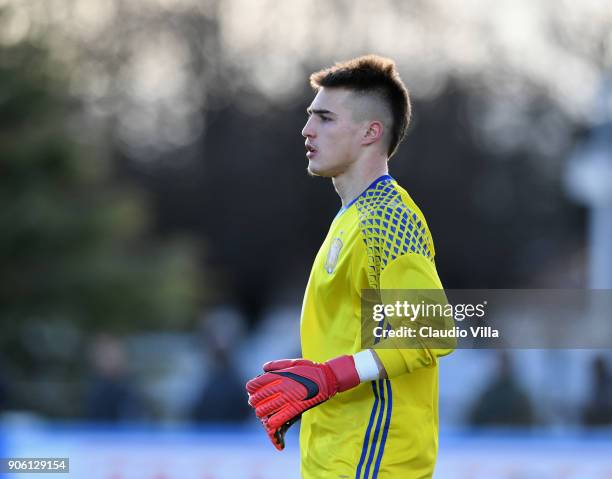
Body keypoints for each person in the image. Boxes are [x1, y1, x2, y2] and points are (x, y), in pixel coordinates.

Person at [246, 55, 454, 478]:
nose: (307, 130)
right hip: (339, 459)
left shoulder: (387, 217)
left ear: (370, 132)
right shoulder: (352, 218)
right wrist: (313, 386)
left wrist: (330, 376)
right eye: (310, 117)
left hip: (374, 462)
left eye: (324, 118)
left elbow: (431, 330)